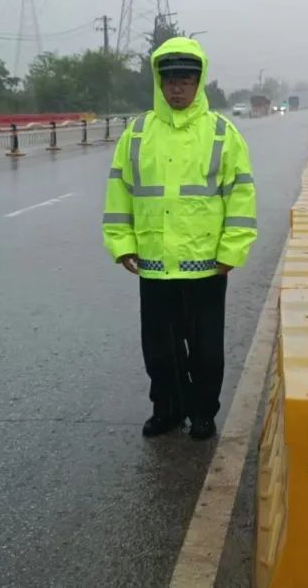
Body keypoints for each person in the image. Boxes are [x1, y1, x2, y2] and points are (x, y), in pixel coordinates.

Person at [102, 37, 257, 440]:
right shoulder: (136, 134)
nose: (176, 88)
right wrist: (122, 244)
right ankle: (167, 410)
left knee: (206, 351)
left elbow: (240, 195)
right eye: (170, 79)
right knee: (160, 351)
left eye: (185, 80)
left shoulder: (222, 134)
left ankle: (202, 413)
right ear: (159, 81)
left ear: (199, 81)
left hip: (206, 265)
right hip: (154, 265)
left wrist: (232, 251)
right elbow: (120, 193)